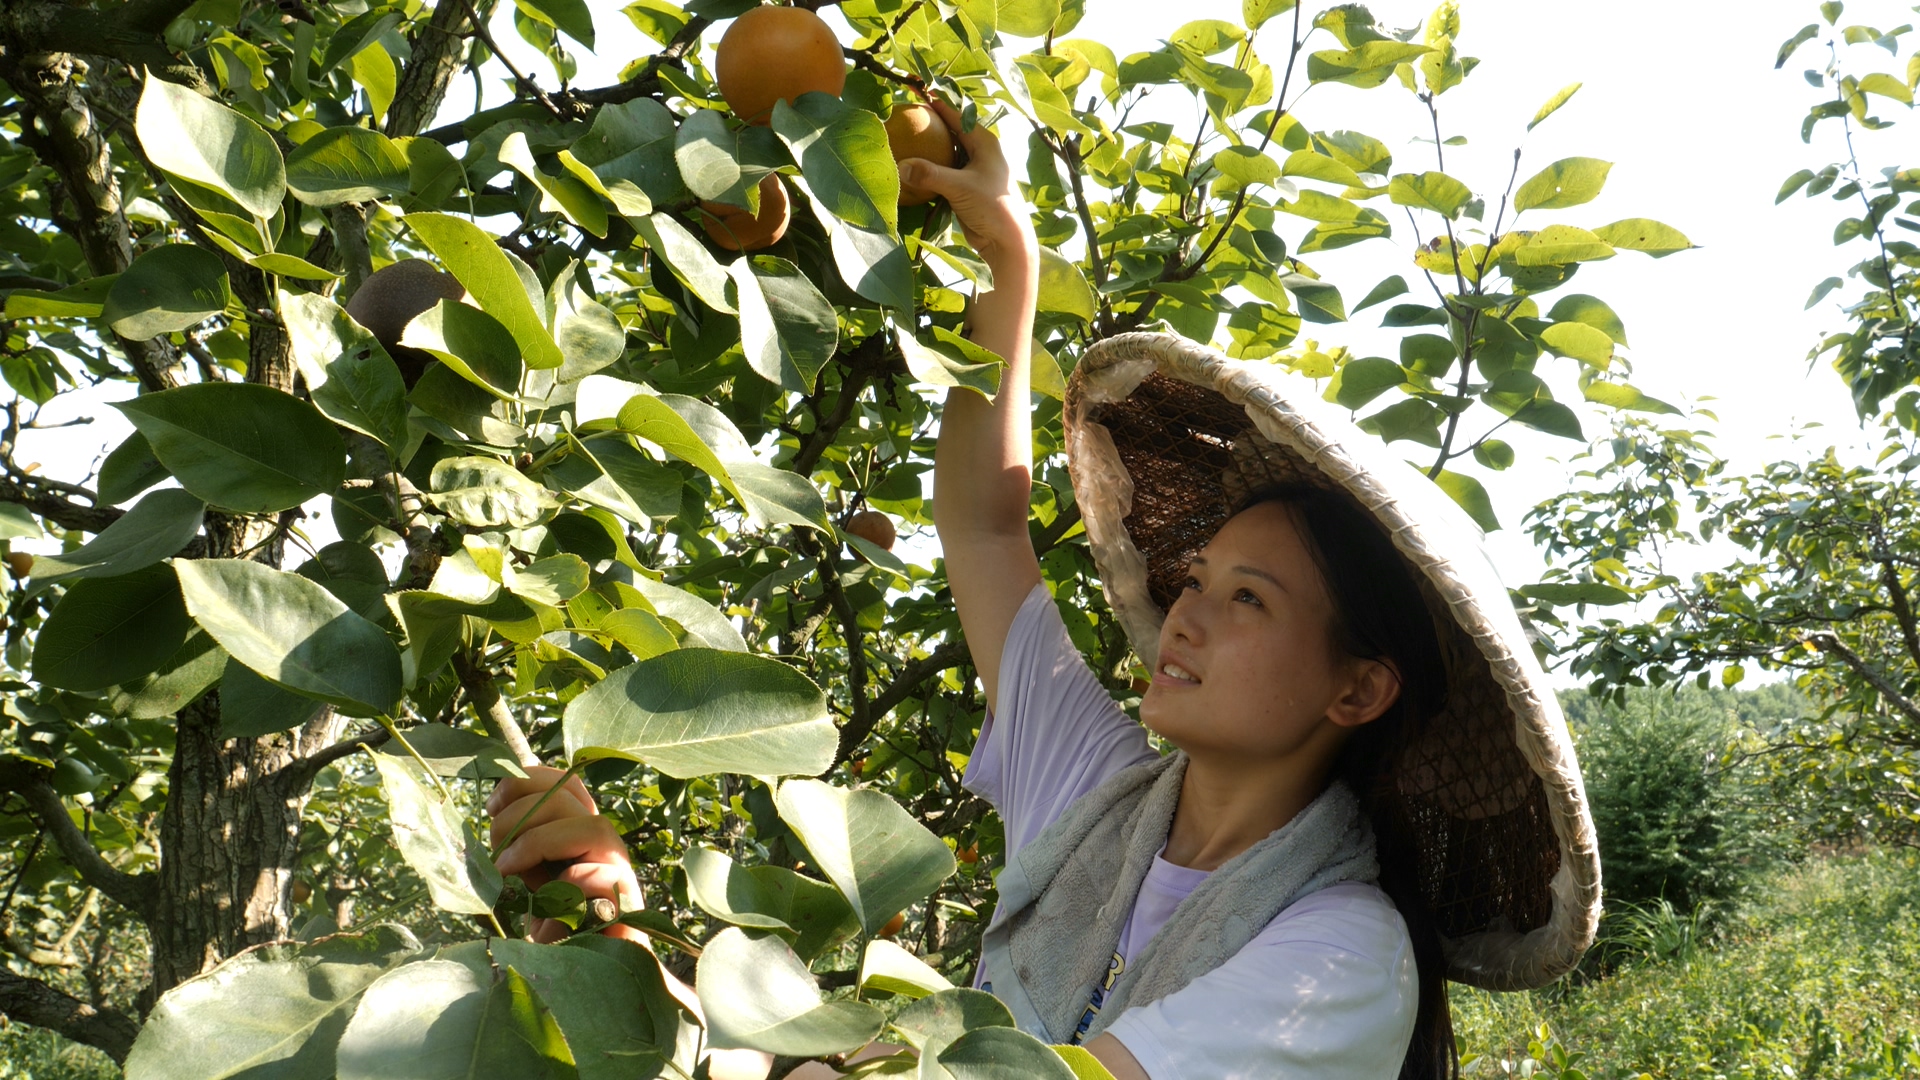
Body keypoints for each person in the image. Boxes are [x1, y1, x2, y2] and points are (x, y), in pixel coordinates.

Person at [489, 99, 1601, 1080]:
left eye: (1248, 600)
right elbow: (982, 529)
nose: (1187, 614)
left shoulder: (1343, 954)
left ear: (1357, 690)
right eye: (1198, 578)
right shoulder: (1104, 804)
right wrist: (1009, 262)